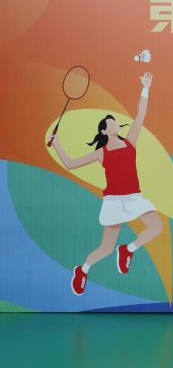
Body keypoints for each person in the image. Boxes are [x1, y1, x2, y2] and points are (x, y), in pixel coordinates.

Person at [50, 72, 163, 295]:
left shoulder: (130, 143)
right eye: (111, 123)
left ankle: (128, 249)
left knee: (156, 227)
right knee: (106, 248)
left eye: (115, 122)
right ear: (104, 130)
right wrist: (57, 144)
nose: (115, 124)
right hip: (114, 201)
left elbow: (141, 113)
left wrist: (146, 88)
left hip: (133, 198)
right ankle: (83, 270)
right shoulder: (101, 152)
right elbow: (71, 164)